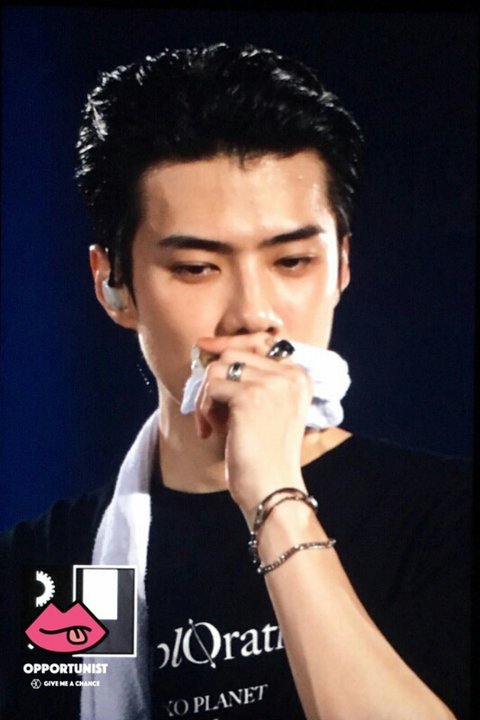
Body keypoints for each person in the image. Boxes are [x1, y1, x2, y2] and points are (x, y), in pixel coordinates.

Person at [0, 43, 471, 720]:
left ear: (341, 266)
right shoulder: (54, 566)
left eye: (292, 260)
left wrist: (273, 494)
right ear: (112, 286)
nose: (253, 312)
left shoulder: (441, 518)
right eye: (197, 267)